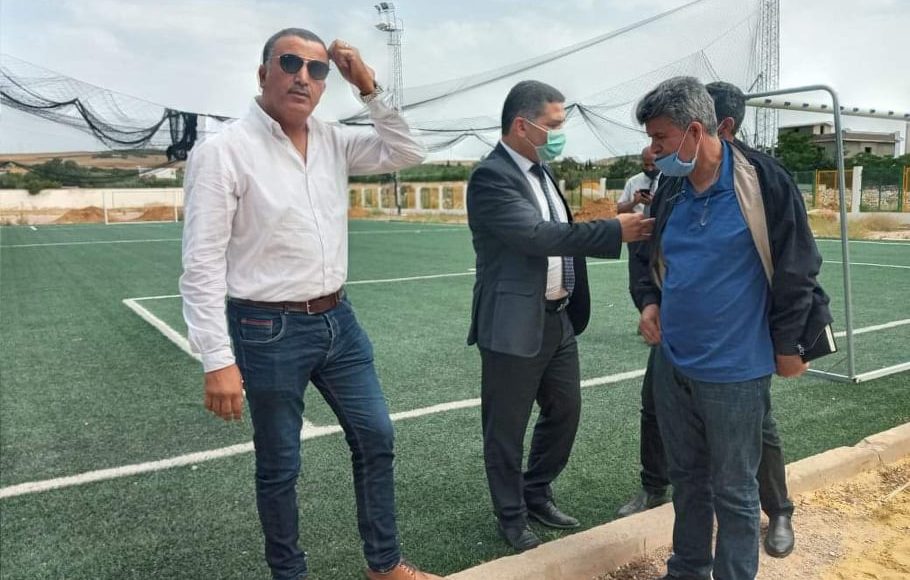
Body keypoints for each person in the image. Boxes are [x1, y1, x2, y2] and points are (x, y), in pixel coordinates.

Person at [180, 28, 440, 580]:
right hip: (265, 327)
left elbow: (409, 150)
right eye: (290, 63)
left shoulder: (333, 140)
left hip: (338, 320)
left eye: (317, 70)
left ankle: (384, 566)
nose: (303, 77)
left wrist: (367, 86)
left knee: (376, 436)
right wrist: (216, 359)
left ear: (325, 83)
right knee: (280, 465)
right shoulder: (223, 151)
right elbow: (201, 264)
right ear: (263, 73)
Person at [632, 76, 831, 580]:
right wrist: (649, 302)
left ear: (695, 132)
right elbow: (647, 251)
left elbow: (798, 266)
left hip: (735, 373)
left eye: (660, 138)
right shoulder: (671, 187)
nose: (652, 150)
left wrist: (788, 345)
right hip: (674, 363)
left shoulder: (762, 181)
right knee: (687, 481)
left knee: (735, 490)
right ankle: (688, 569)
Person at [465, 80, 654, 552]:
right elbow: (536, 235)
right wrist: (613, 230)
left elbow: (558, 230)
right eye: (553, 125)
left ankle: (536, 490)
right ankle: (511, 517)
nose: (559, 134)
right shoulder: (491, 178)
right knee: (505, 428)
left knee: (565, 411)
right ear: (521, 125)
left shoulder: (542, 171)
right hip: (512, 322)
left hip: (558, 317)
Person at [617, 147, 659, 215]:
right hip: (637, 221)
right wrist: (634, 202)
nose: (649, 169)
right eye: (646, 165)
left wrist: (654, 203)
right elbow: (619, 209)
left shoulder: (668, 182)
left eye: (653, 165)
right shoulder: (632, 182)